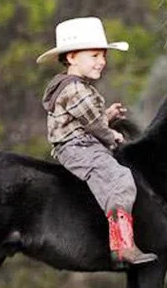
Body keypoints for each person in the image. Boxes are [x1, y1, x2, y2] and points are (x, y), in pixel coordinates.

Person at [37, 16, 156, 266]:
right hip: (79, 148)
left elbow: (86, 118)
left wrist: (107, 116)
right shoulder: (76, 89)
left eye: (103, 55)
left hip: (78, 144)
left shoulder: (74, 87)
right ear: (71, 57)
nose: (102, 61)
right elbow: (94, 126)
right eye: (94, 55)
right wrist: (111, 133)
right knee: (120, 179)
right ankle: (123, 246)